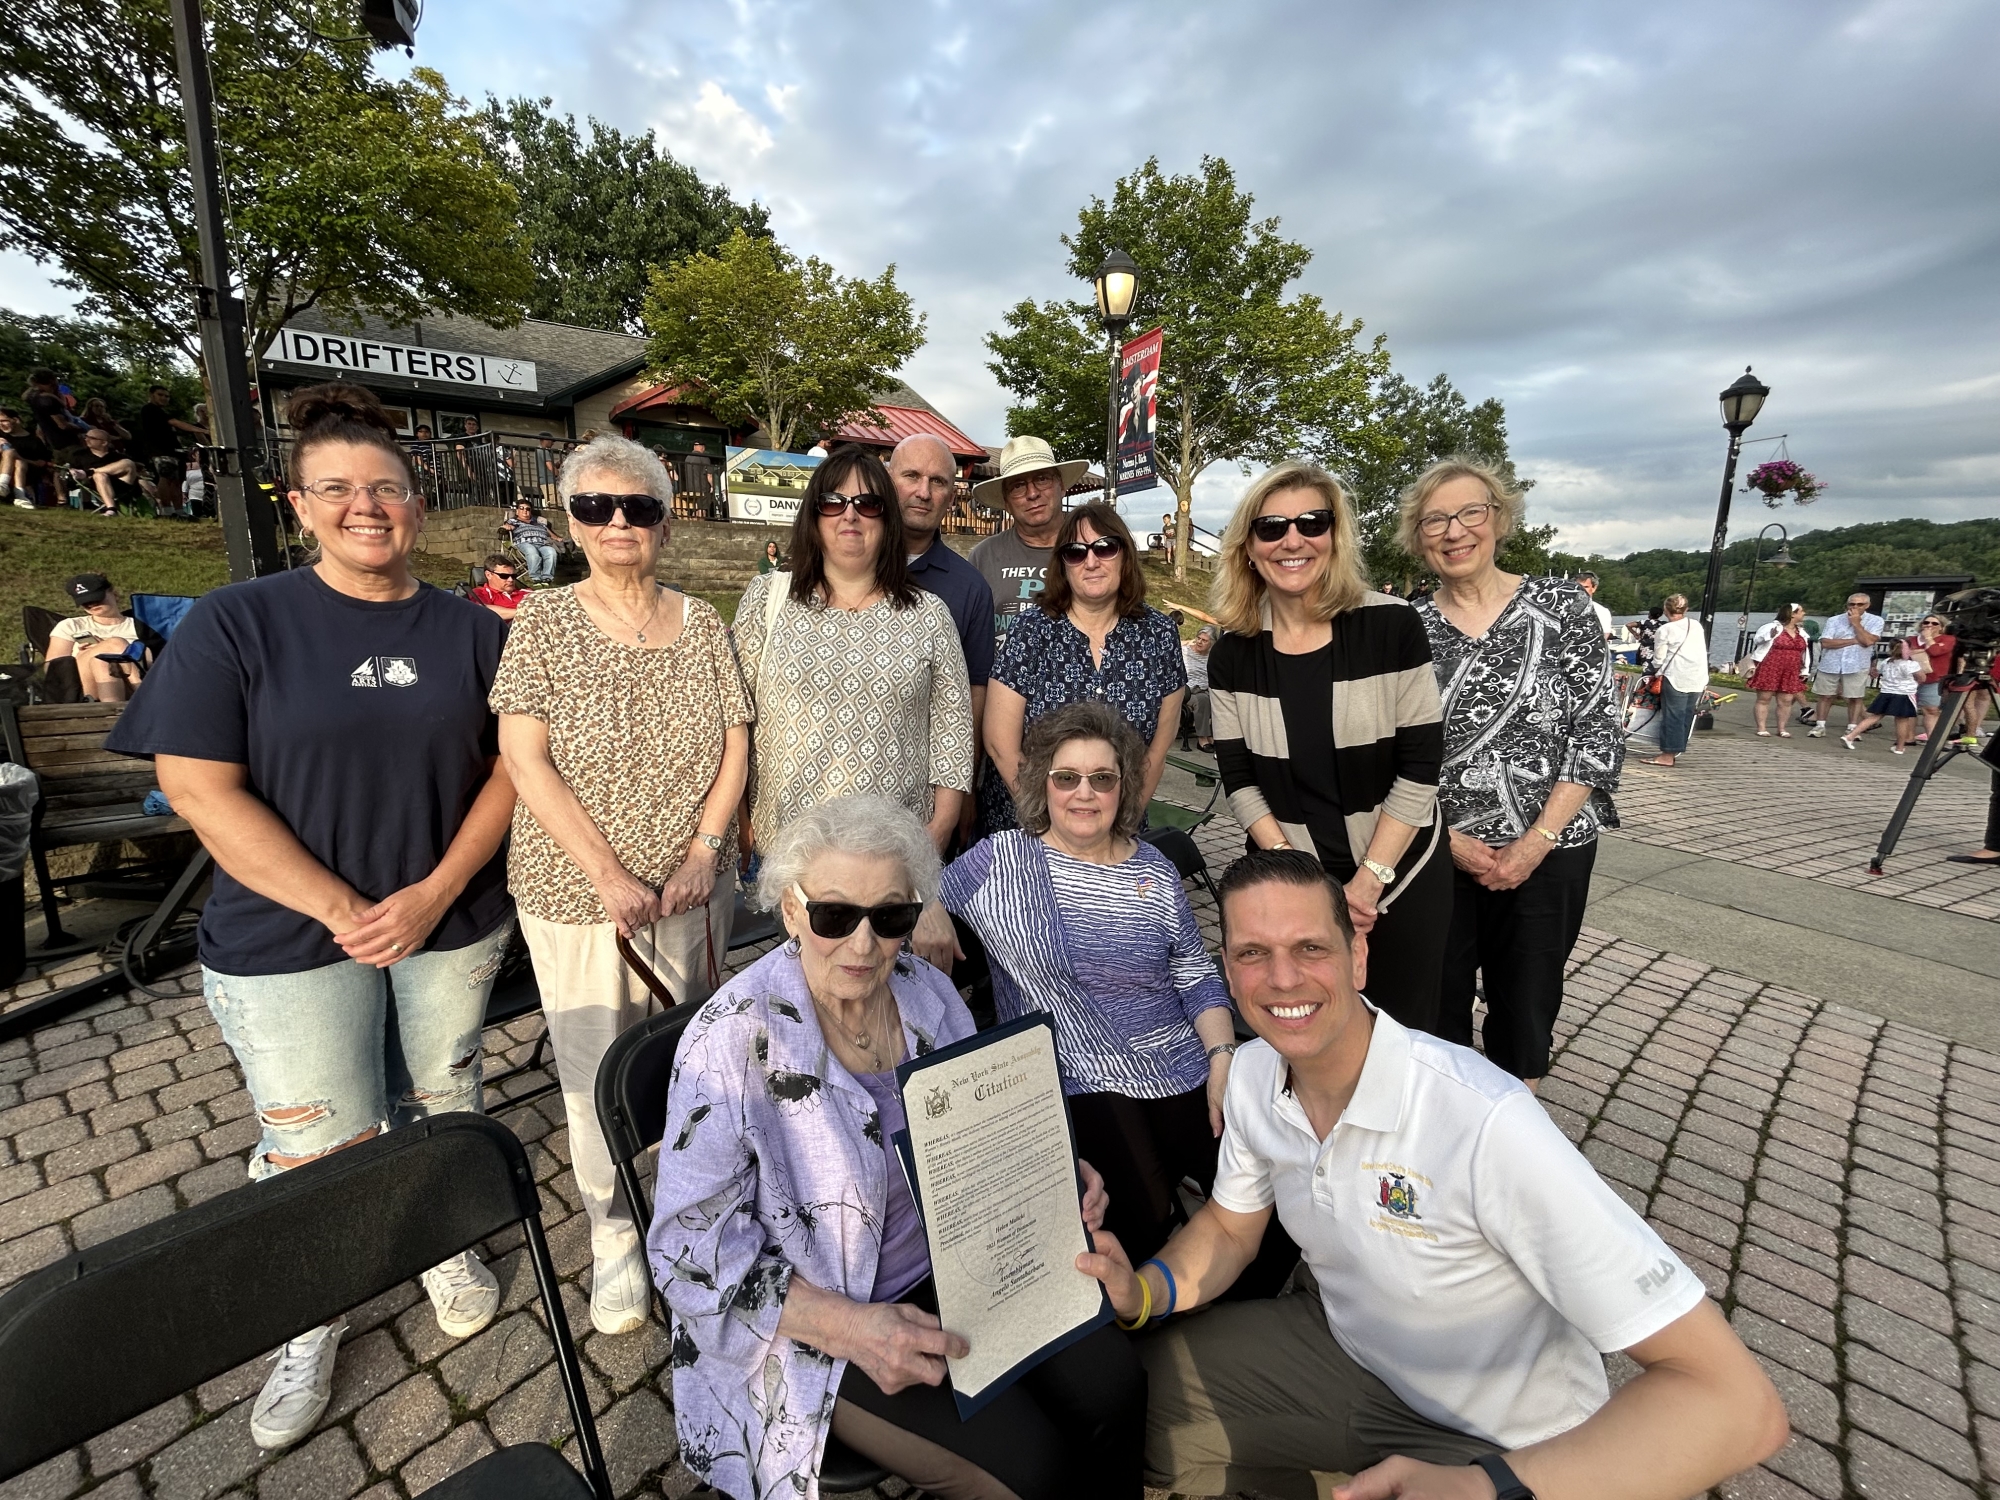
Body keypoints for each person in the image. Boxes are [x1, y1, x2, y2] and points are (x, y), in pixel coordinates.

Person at [1077, 849, 1789, 1500]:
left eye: (1310, 948)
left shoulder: (1483, 1120)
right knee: (1122, 1402)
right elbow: (1233, 1229)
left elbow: (1737, 1406)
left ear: (1358, 957)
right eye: (1253, 954)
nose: (1283, 978)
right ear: (1229, 974)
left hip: (1508, 1440)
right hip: (1350, 1356)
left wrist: (1486, 1487)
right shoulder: (1255, 1074)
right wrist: (1141, 1293)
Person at [105, 382, 518, 1452]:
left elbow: (511, 772)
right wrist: (344, 907)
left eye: (386, 487)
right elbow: (197, 786)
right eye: (337, 488)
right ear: (299, 504)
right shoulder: (239, 621)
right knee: (320, 1144)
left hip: (448, 921)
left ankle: (438, 1241)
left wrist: (432, 894)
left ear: (417, 503)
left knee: (441, 1101)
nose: (365, 506)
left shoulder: (471, 631)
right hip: (291, 938)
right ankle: (313, 1313)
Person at [652, 795, 1145, 1500]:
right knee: (1031, 1471)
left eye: (889, 918)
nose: (863, 946)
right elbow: (686, 1254)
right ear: (790, 910)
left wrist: (1048, 1168)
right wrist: (853, 1329)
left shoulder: (926, 992)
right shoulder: (728, 1044)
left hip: (968, 1262)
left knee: (1116, 1387)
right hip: (826, 1319)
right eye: (833, 916)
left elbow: (982, 1125)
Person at [493, 434, 751, 1336]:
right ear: (570, 523)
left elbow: (736, 743)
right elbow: (523, 757)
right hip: (578, 896)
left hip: (692, 890)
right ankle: (613, 1237)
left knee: (694, 1056)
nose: (617, 523)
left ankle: (694, 1202)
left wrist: (706, 852)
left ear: (665, 523)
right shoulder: (543, 621)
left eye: (638, 507)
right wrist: (606, 873)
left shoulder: (703, 622)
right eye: (595, 507)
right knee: (593, 1071)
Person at [943, 702, 1241, 1272]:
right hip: (1080, 1075)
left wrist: (1223, 1055)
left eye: (1102, 778)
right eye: (1067, 778)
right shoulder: (1001, 861)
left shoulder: (1154, 868)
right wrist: (929, 908)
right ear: (1043, 784)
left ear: (1122, 787)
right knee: (1142, 1232)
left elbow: (1195, 973)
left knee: (1259, 1201)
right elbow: (913, 896)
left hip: (1183, 1063)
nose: (1084, 793)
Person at [1207, 460, 1452, 1033]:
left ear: (1335, 535)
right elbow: (1240, 779)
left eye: (1312, 523)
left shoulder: (1391, 626)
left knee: (1401, 1035)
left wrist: (1368, 880)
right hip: (1290, 877)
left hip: (1399, 872)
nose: (1292, 540)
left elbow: (1421, 766)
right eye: (1271, 527)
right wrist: (1308, 884)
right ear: (1249, 548)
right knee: (1305, 1028)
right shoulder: (1233, 652)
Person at [1403, 459, 1621, 1088]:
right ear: (1418, 537)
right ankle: (1445, 1131)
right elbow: (1390, 751)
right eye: (1434, 521)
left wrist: (1535, 842)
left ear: (1499, 519)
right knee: (1433, 1011)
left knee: (1525, 1012)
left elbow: (1596, 730)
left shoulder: (1564, 607)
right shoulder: (1405, 626)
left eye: (1470, 513)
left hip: (1550, 850)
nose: (1454, 531)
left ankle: (1510, 1132)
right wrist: (1448, 842)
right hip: (1436, 852)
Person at [732, 447, 973, 965]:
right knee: (804, 986)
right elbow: (735, 721)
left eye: (868, 504)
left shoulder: (929, 615)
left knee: (879, 986)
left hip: (891, 858)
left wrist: (931, 845)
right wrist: (741, 818)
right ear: (812, 514)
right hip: (791, 849)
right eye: (833, 501)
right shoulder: (768, 600)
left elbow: (952, 738)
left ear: (887, 519)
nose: (850, 515)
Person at [981, 502, 1184, 834]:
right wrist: (1053, 826)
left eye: (1105, 547)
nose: (1091, 561)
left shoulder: (1159, 635)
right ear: (1063, 565)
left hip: (1118, 831)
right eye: (1075, 552)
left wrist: (1120, 826)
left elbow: (1157, 750)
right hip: (1031, 827)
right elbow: (999, 743)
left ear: (1125, 554)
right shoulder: (1030, 630)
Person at [891, 432, 997, 837]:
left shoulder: (969, 587)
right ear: (888, 480)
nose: (923, 492)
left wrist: (963, 788)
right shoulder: (847, 567)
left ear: (952, 496)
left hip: (926, 794)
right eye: (911, 476)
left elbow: (975, 692)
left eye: (938, 482)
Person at [969, 434, 1084, 644]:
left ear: (1061, 486)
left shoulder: (1095, 550)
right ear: (1006, 502)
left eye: (1042, 479)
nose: (1032, 494)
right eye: (1018, 486)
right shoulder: (983, 556)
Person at [47, 574, 155, 702]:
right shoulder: (70, 625)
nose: (92, 604)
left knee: (102, 661)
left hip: (127, 688)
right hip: (83, 686)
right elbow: (52, 669)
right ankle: (149, 696)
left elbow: (153, 659)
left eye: (97, 598)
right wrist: (88, 653)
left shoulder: (141, 626)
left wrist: (103, 649)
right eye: (85, 602)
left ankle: (111, 711)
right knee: (116, 644)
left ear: (114, 593)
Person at [1642, 594, 1708, 768]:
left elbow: (1659, 658)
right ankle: (1677, 748)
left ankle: (1667, 755)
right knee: (1686, 715)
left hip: (1675, 675)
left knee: (1672, 716)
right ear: (1686, 609)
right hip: (1697, 675)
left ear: (1666, 610)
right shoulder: (1695, 625)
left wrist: (1655, 670)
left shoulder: (1665, 630)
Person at [1807, 591, 1883, 738]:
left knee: (1855, 697)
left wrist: (1856, 624)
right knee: (1825, 696)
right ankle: (1820, 725)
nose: (1855, 607)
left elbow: (1868, 641)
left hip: (1857, 664)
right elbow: (1826, 642)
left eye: (1859, 604)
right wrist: (1854, 641)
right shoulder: (1834, 620)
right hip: (1831, 663)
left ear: (1867, 605)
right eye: (1852, 604)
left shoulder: (1876, 621)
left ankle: (1852, 728)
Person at [128, 384, 204, 511]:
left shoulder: (161, 412)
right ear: (151, 395)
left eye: (167, 396)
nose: (164, 398)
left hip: (172, 451)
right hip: (160, 451)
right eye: (160, 395)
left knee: (176, 481)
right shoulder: (149, 409)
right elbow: (176, 423)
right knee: (166, 478)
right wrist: (203, 430)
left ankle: (179, 511)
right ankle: (167, 511)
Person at [1843, 639, 1922, 754]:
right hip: (1904, 694)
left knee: (1874, 717)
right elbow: (1922, 677)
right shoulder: (1911, 664)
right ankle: (1900, 747)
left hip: (1886, 693)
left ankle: (1850, 736)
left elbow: (1881, 673)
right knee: (1902, 720)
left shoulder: (1886, 662)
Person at [1745, 603, 1813, 735]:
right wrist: (1769, 636)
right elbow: (1757, 640)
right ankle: (1761, 728)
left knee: (1786, 700)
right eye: (1801, 611)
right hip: (1770, 666)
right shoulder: (1772, 627)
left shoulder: (1801, 632)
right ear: (1792, 614)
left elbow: (1805, 653)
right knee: (1764, 698)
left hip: (1791, 669)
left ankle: (1782, 729)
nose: (1804, 613)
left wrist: (1805, 670)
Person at [67, 425, 154, 515]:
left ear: (104, 443)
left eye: (91, 438)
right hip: (95, 484)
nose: (86, 439)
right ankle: (111, 509)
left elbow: (134, 472)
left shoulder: (118, 456)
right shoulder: (79, 456)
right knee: (99, 475)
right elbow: (72, 476)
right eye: (86, 437)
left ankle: (88, 472)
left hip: (121, 486)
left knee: (128, 463)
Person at [1913, 613, 1957, 742]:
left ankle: (1933, 739)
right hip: (1912, 679)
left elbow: (1935, 651)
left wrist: (1928, 638)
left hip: (1934, 679)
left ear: (1941, 627)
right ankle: (1908, 737)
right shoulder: (1913, 639)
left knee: (1931, 709)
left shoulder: (1948, 639)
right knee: (1909, 710)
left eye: (1934, 623)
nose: (1929, 625)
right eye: (1926, 622)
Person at [0, 406, 54, 507]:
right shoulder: (1, 435)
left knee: (17, 459)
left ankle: (3, 485)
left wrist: (20, 458)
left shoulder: (34, 440)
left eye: (4, 421)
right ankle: (20, 496)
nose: (1, 425)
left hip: (26, 473)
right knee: (11, 453)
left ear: (15, 420)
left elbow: (41, 462)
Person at [501, 499, 559, 584]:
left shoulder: (539, 523)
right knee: (532, 552)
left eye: (527, 509)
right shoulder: (513, 521)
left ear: (530, 511)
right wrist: (506, 527)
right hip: (524, 543)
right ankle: (536, 578)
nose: (525, 511)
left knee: (551, 552)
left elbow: (552, 534)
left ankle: (547, 578)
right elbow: (506, 527)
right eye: (521, 508)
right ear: (517, 511)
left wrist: (557, 538)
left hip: (542, 543)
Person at [1183, 624, 1216, 748]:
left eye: (1204, 640)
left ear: (1211, 643)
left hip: (1207, 690)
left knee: (1219, 699)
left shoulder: (1212, 657)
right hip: (1188, 691)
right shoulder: (1184, 652)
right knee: (1202, 699)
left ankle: (1213, 736)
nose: (1200, 642)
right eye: (1198, 638)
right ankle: (1202, 738)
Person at [468, 555, 528, 621]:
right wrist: (524, 612)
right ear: (488, 575)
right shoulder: (479, 593)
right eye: (504, 576)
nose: (511, 580)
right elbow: (481, 610)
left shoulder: (527, 592)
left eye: (513, 576)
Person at [1577, 570, 1613, 640]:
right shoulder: (1562, 608)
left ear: (1594, 588)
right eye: (1579, 587)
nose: (1582, 590)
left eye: (1586, 587)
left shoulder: (1602, 612)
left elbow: (1603, 638)